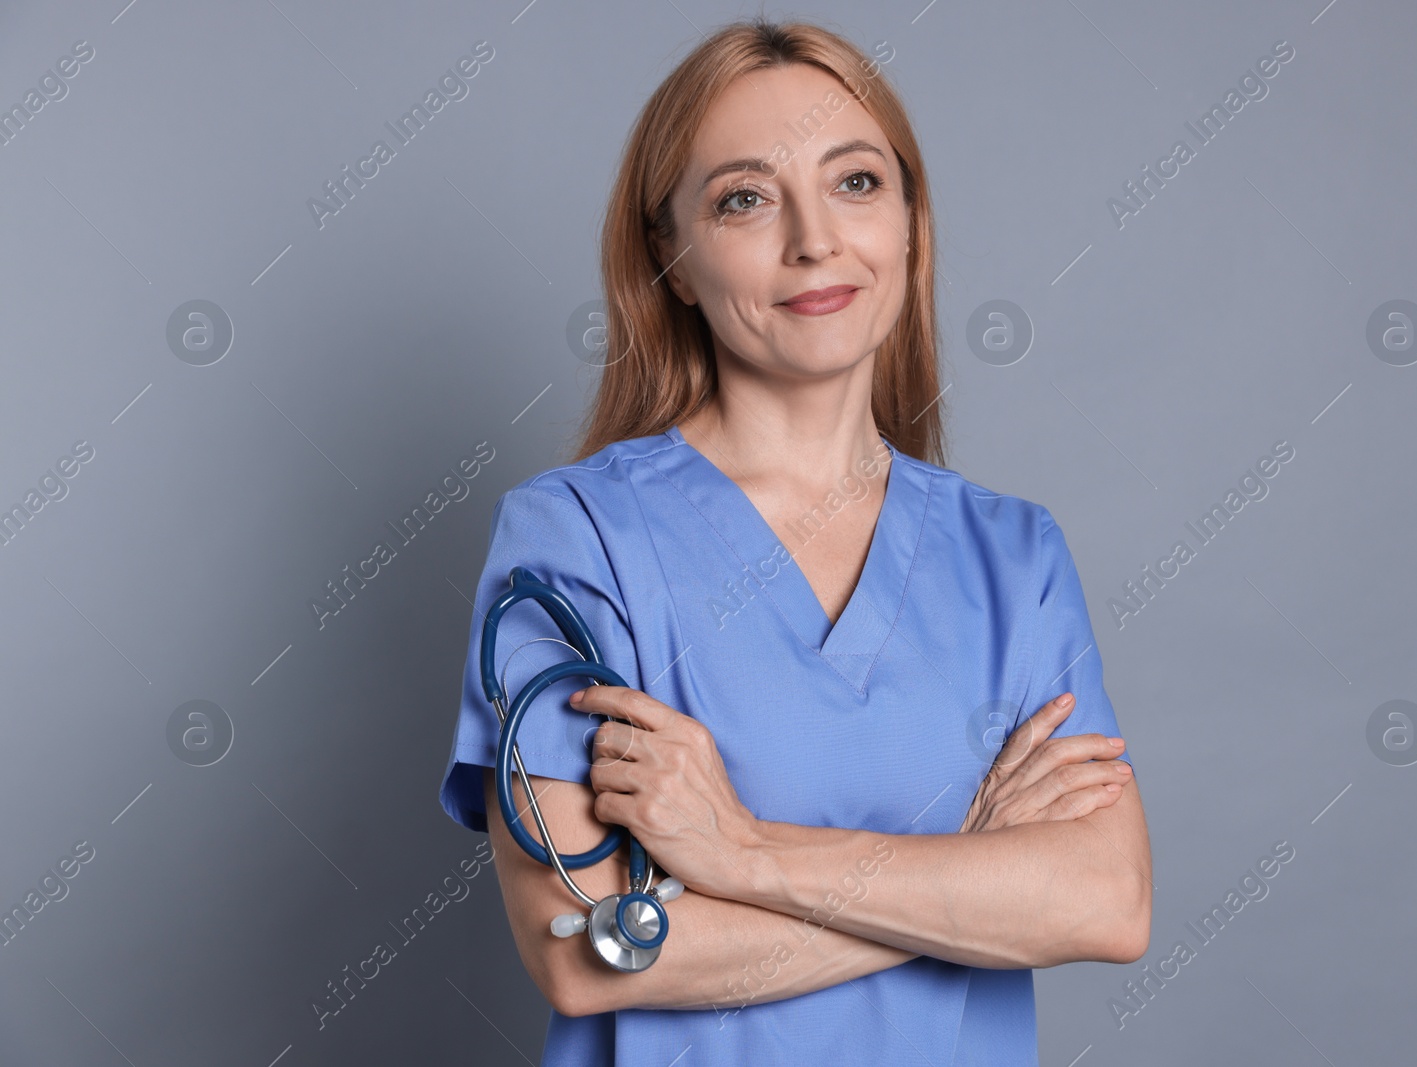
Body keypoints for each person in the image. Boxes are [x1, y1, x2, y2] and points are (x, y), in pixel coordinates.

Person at [438, 17, 1151, 1065]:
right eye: (744, 198)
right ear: (672, 262)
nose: (815, 238)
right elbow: (587, 958)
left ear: (910, 220)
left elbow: (1105, 902)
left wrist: (744, 851)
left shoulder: (1014, 556)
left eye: (856, 182)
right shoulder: (577, 538)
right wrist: (967, 876)